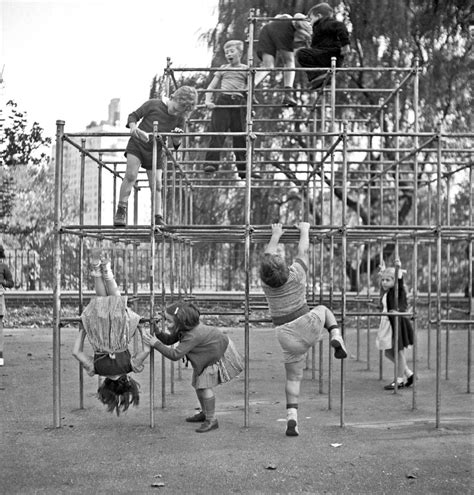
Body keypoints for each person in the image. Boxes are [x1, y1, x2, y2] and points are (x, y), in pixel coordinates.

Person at [259, 222, 347, 437]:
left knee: (293, 379)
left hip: (285, 335)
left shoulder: (266, 285)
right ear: (285, 267)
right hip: (308, 324)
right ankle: (335, 334)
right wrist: (305, 230)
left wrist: (275, 235)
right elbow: (303, 250)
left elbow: (267, 257)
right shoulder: (297, 274)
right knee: (324, 309)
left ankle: (292, 418)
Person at [142, 301, 244, 433]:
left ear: (181, 322)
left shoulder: (193, 335)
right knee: (198, 385)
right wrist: (156, 330)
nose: (166, 324)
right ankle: (205, 413)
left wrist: (155, 344)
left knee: (204, 387)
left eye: (168, 321)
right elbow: (168, 340)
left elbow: (175, 354)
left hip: (213, 356)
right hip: (207, 353)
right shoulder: (185, 329)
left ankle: (211, 420)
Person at [72, 250, 151, 415]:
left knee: (115, 300)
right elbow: (76, 352)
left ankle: (106, 269)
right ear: (105, 384)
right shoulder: (96, 369)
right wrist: (83, 331)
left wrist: (141, 329)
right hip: (99, 331)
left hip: (119, 330)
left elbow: (146, 350)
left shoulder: (131, 366)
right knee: (102, 300)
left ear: (127, 381)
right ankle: (97, 268)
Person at [113, 85, 198, 227]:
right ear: (173, 97)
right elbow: (133, 116)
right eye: (175, 108)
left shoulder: (180, 119)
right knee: (131, 176)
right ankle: (121, 209)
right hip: (138, 144)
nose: (175, 112)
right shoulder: (153, 104)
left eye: (179, 112)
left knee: (157, 184)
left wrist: (177, 138)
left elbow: (176, 144)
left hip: (156, 150)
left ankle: (158, 216)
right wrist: (134, 128)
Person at [203, 40, 253, 179]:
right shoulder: (223, 68)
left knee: (240, 137)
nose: (228, 54)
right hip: (223, 101)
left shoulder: (246, 69)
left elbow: (250, 91)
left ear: (240, 53)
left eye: (232, 51)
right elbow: (211, 87)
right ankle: (211, 163)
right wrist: (208, 100)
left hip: (239, 104)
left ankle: (243, 168)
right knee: (217, 133)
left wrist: (250, 108)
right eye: (226, 52)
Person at [255, 13, 312, 107]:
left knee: (267, 66)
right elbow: (298, 18)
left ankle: (248, 89)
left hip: (266, 30)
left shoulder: (276, 23)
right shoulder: (298, 24)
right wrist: (309, 36)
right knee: (289, 61)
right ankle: (288, 95)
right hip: (284, 26)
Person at [376, 258, 414, 390]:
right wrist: (382, 273)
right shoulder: (387, 293)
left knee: (398, 351)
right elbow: (382, 294)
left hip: (396, 323)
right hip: (387, 323)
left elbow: (399, 282)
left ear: (394, 281)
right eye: (383, 280)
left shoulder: (397, 291)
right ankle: (408, 373)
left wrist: (398, 269)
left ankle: (399, 380)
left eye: (388, 280)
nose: (384, 282)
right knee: (388, 352)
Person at [295, 3, 350, 89]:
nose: (310, 22)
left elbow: (340, 27)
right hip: (326, 57)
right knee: (306, 53)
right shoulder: (318, 29)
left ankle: (318, 76)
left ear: (318, 16)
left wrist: (345, 44)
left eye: (311, 19)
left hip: (330, 55)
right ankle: (319, 78)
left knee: (300, 53)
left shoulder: (326, 23)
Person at [0, 245, 14, 367]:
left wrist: (3, 282)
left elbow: (11, 283)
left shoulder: (4, 267)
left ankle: (0, 356)